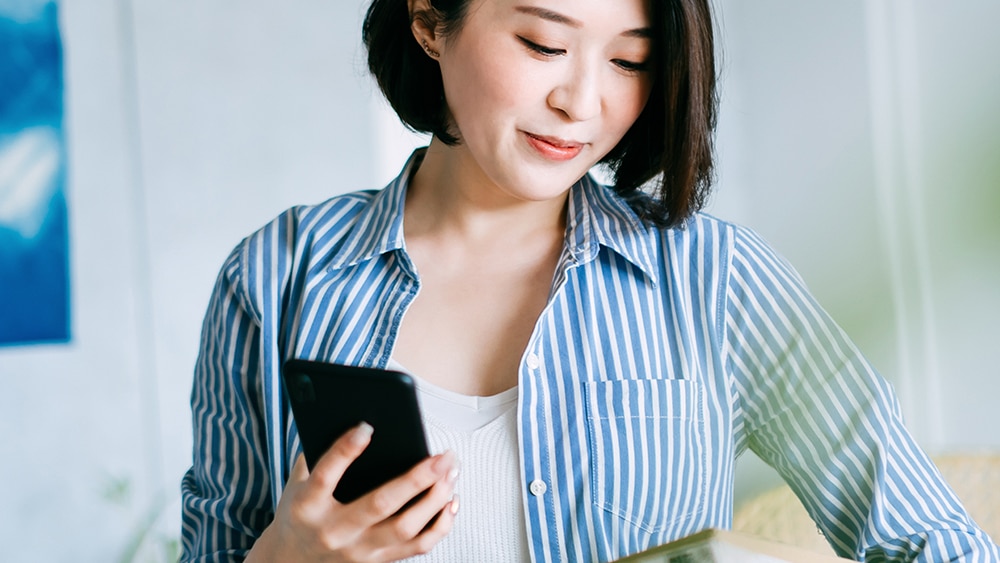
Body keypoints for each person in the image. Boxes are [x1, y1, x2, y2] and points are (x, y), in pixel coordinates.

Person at [179, 0, 1000, 561]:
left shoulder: (713, 279)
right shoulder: (278, 274)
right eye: (542, 45)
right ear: (431, 19)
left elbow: (933, 541)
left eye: (630, 59)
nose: (583, 101)